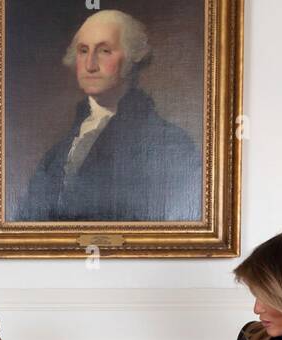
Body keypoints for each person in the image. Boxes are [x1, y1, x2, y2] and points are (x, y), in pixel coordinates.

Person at [16, 8, 201, 222]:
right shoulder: (57, 153)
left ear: (133, 57)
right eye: (83, 51)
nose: (90, 65)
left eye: (104, 51)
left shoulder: (172, 144)